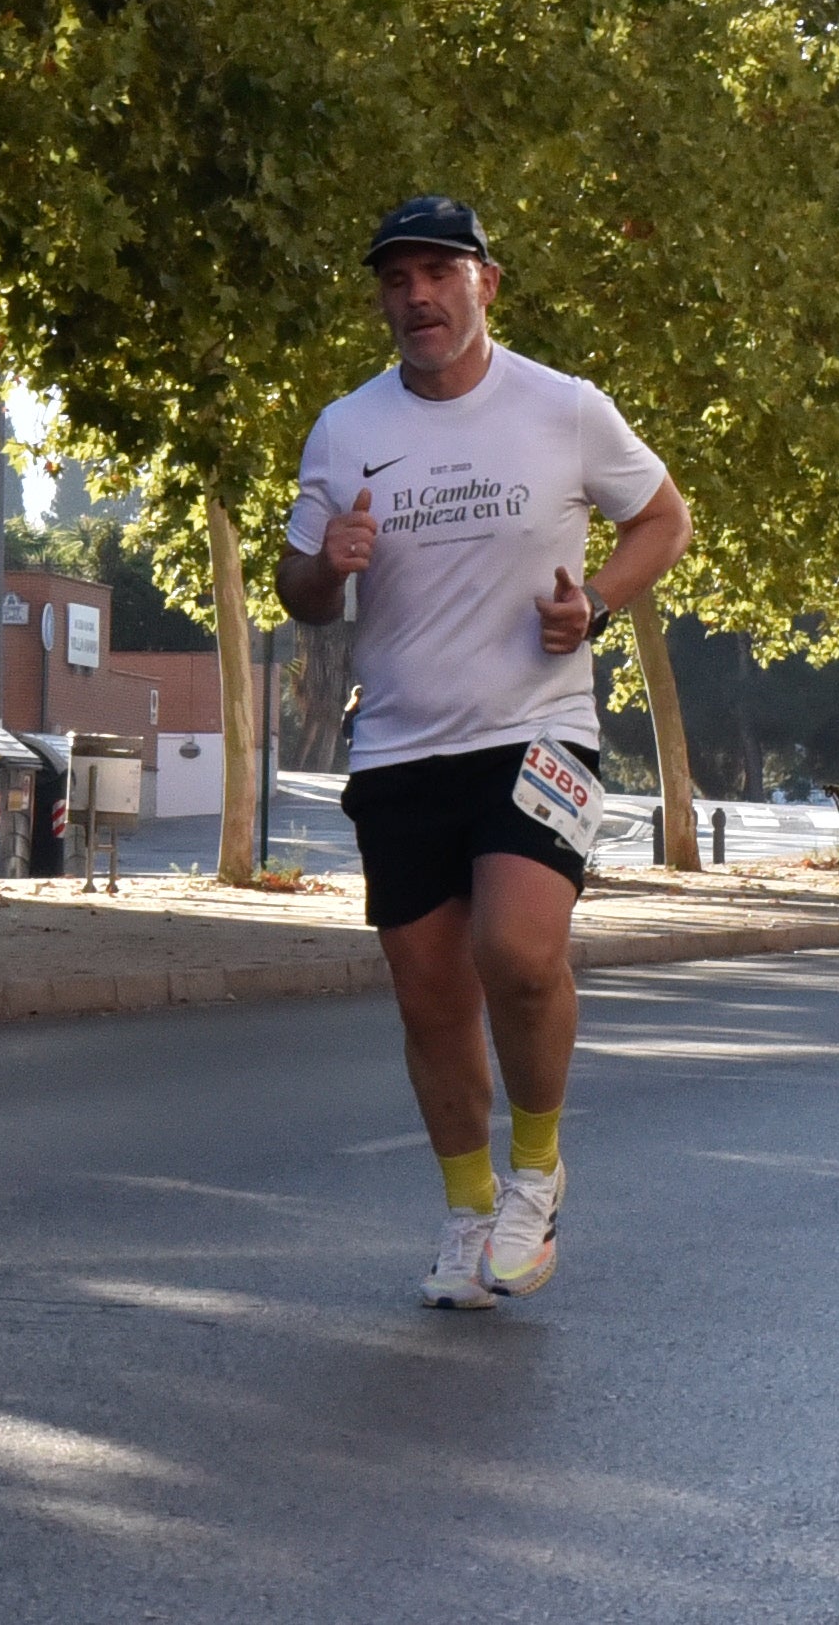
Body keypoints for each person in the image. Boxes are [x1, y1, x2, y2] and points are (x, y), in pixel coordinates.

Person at [276, 196, 691, 1309]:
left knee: (516, 950)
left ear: (485, 284)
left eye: (437, 273)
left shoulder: (564, 408)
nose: (416, 296)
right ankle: (468, 1209)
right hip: (402, 743)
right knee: (429, 995)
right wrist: (332, 562)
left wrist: (596, 606)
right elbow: (301, 590)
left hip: (537, 732)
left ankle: (538, 1174)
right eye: (396, 279)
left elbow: (664, 519)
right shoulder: (345, 428)